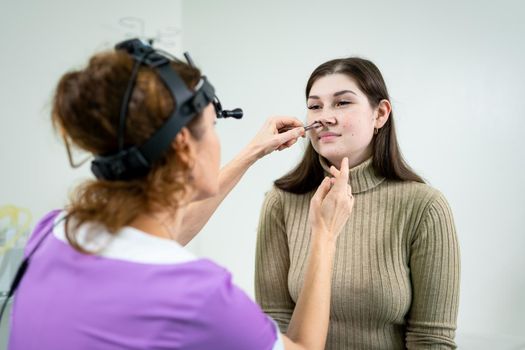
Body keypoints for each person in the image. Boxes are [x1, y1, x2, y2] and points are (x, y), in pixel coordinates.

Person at [7, 41, 353, 350]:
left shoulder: (53, 231)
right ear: (184, 147)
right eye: (212, 125)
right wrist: (324, 236)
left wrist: (253, 152)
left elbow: (169, 232)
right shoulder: (199, 296)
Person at [254, 57, 461, 349]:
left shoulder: (424, 206)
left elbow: (432, 340)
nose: (325, 116)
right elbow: (274, 329)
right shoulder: (281, 202)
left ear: (380, 114)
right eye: (315, 106)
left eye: (342, 103)